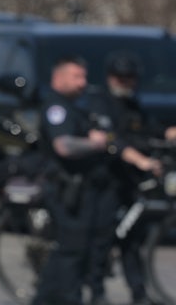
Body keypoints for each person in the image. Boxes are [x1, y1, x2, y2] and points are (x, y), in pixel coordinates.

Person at [83, 53, 171, 305]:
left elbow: (150, 130)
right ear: (110, 77)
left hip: (128, 181)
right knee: (102, 237)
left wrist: (169, 133)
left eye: (129, 77)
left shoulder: (132, 104)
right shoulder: (99, 102)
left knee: (131, 239)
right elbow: (111, 139)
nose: (125, 82)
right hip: (105, 180)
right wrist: (141, 160)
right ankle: (96, 292)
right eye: (120, 77)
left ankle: (138, 292)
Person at [31, 56, 119, 305]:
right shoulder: (56, 108)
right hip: (65, 187)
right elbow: (64, 146)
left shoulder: (74, 106)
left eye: (84, 77)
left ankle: (45, 298)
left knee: (72, 247)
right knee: (72, 249)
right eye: (76, 77)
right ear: (58, 78)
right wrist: (95, 143)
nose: (83, 82)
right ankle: (67, 298)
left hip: (81, 188)